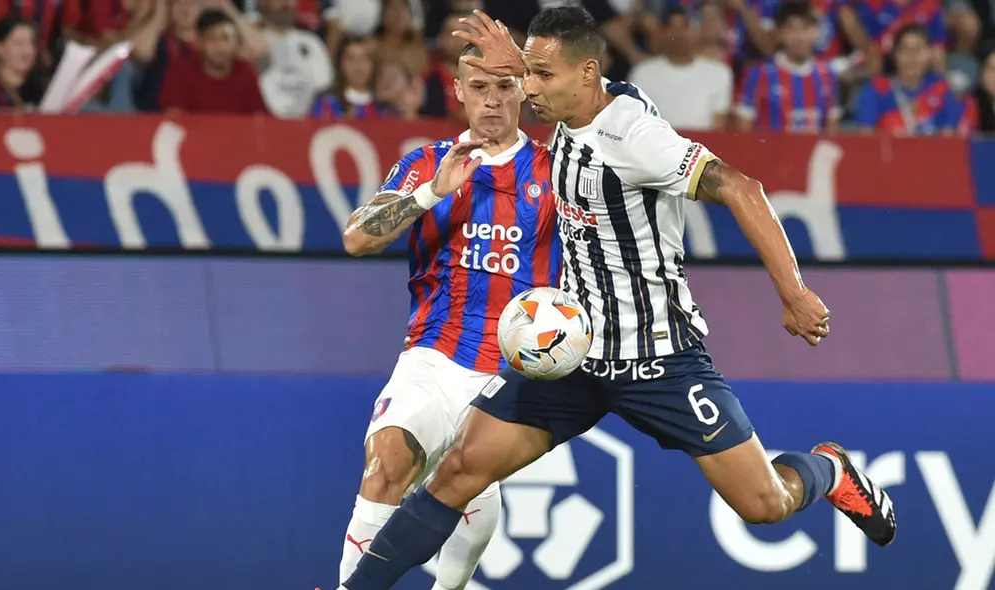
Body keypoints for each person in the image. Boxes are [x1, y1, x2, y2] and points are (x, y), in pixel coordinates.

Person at [336, 8, 897, 590]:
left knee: (765, 504)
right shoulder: (571, 108)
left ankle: (828, 469)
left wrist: (794, 292)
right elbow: (524, 93)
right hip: (572, 357)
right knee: (456, 471)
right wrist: (513, 64)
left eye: (540, 77)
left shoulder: (634, 137)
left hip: (658, 358)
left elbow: (740, 186)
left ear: (587, 73)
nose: (528, 90)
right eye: (525, 75)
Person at [335, 41, 561, 590]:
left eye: (504, 87)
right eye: (478, 88)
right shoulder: (428, 163)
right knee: (386, 462)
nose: (491, 102)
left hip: (510, 374)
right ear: (457, 91)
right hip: (433, 356)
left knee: (468, 491)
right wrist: (431, 194)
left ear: (523, 92)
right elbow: (357, 237)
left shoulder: (556, 169)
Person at [736, 1, 842, 133]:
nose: (799, 37)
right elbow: (743, 131)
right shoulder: (759, 75)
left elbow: (832, 131)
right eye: (792, 29)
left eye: (805, 28)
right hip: (769, 153)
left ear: (816, 33)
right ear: (780, 34)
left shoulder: (827, 75)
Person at [628, 6, 733, 131]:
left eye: (684, 27)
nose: (678, 34)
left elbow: (718, 126)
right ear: (661, 33)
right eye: (671, 28)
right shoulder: (643, 73)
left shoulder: (719, 73)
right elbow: (635, 124)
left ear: (696, 31)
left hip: (702, 147)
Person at [854, 24, 961, 134]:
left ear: (930, 54)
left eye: (918, 50)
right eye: (905, 49)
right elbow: (865, 135)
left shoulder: (941, 89)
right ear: (894, 54)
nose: (912, 56)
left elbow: (948, 138)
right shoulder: (876, 89)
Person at [158, 9, 267, 114]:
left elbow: (258, 118)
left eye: (226, 38)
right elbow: (173, 115)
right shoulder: (181, 68)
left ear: (237, 42)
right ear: (199, 43)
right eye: (212, 39)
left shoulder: (245, 71)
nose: (219, 47)